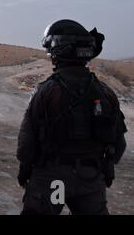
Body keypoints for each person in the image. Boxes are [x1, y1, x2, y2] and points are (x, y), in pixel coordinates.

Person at [17, 19, 127, 215]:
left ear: (57, 51)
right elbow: (119, 145)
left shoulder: (46, 92)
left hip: (53, 178)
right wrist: (103, 170)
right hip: (90, 180)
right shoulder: (105, 93)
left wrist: (25, 171)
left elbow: (26, 144)